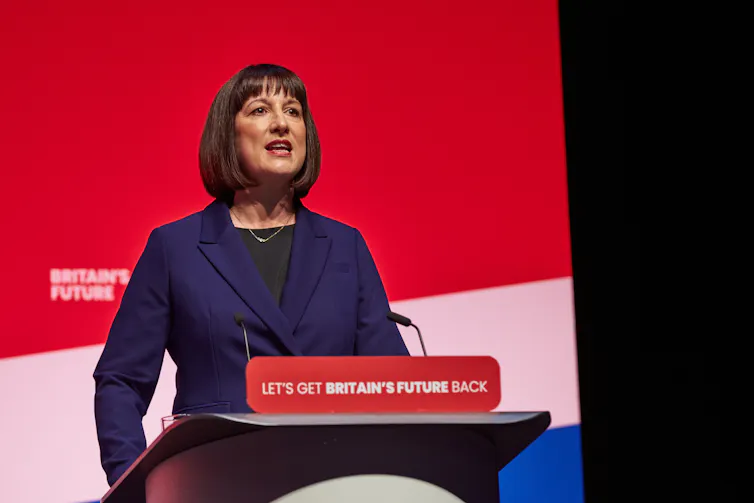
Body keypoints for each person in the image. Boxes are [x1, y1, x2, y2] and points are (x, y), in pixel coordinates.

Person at [93, 63, 410, 486]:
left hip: (331, 481)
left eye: (294, 111)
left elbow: (393, 383)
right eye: (260, 110)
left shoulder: (344, 245)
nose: (281, 122)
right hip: (213, 480)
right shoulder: (176, 248)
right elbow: (120, 381)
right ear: (228, 133)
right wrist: (132, 483)